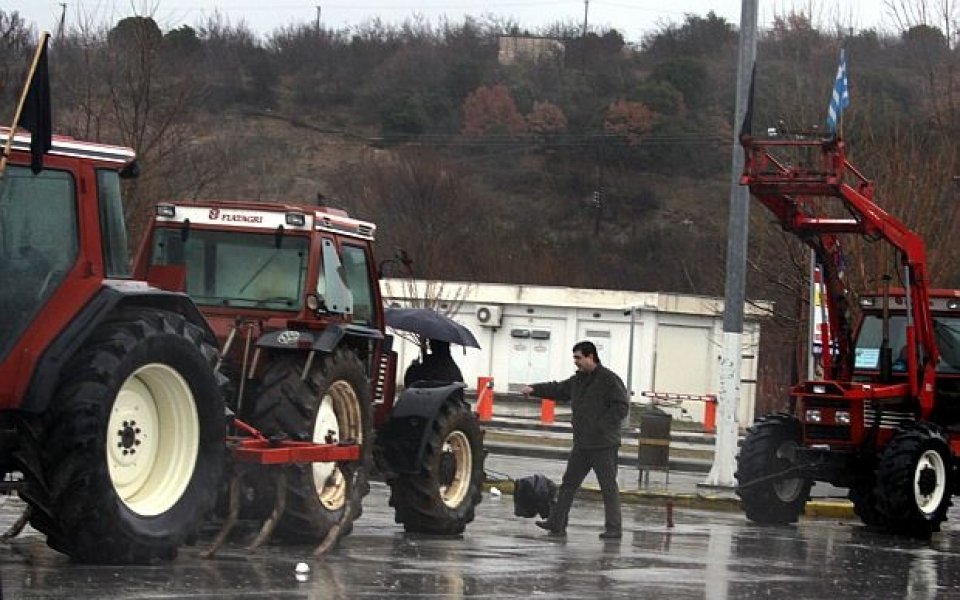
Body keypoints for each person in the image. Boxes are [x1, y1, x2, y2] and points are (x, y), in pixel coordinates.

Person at [521, 340, 629, 540]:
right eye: (574, 358)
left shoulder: (609, 379)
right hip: (582, 444)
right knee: (568, 484)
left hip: (603, 445)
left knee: (608, 487)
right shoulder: (578, 380)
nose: (576, 362)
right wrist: (534, 389)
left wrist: (602, 426)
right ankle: (557, 523)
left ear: (591, 357)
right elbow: (558, 389)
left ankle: (614, 529)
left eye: (578, 358)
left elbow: (621, 406)